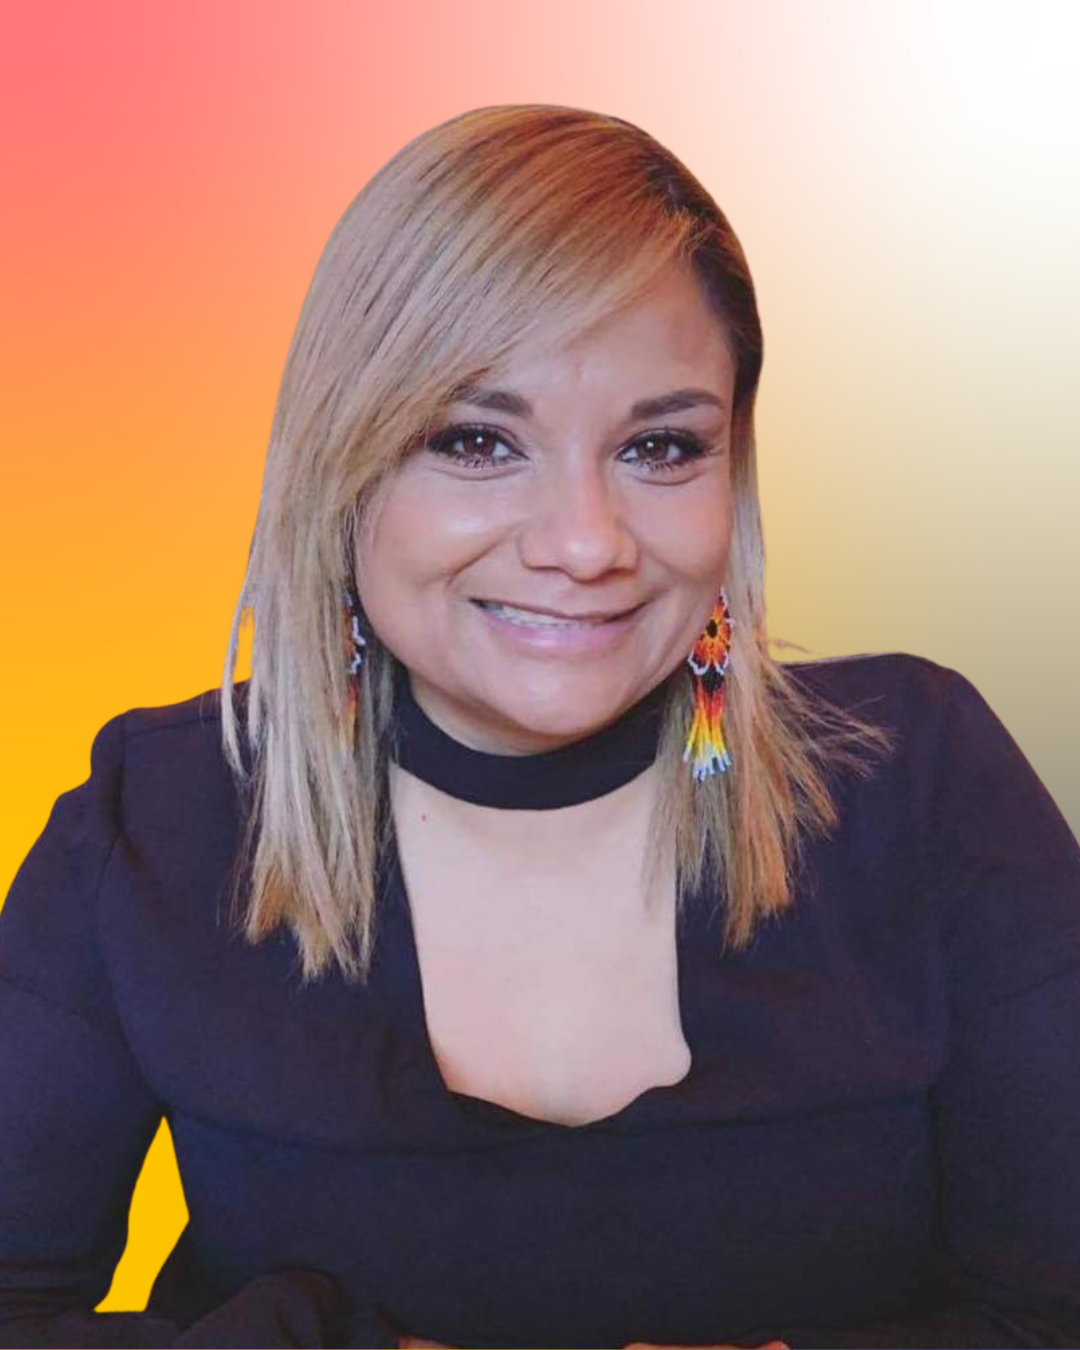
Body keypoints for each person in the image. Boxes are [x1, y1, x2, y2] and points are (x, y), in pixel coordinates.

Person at [1, 102, 1079, 1350]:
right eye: (476, 441)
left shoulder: (923, 779)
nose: (585, 543)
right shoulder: (153, 824)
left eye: (660, 447)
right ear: (341, 464)